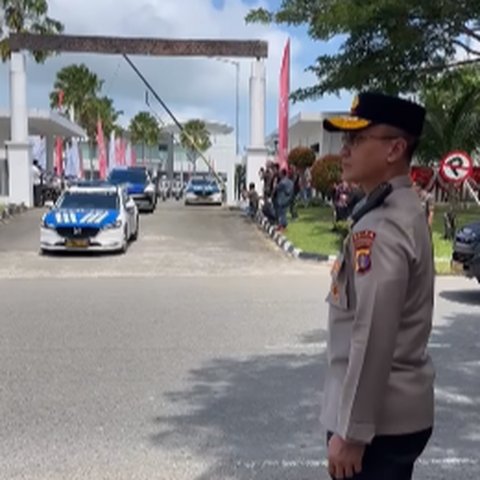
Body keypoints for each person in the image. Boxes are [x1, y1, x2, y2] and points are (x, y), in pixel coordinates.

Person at [321, 92, 435, 480]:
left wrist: (352, 433)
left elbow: (372, 336)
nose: (344, 150)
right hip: (391, 419)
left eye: (356, 139)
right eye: (345, 140)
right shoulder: (397, 209)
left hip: (377, 428)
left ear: (395, 149)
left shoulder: (382, 228)